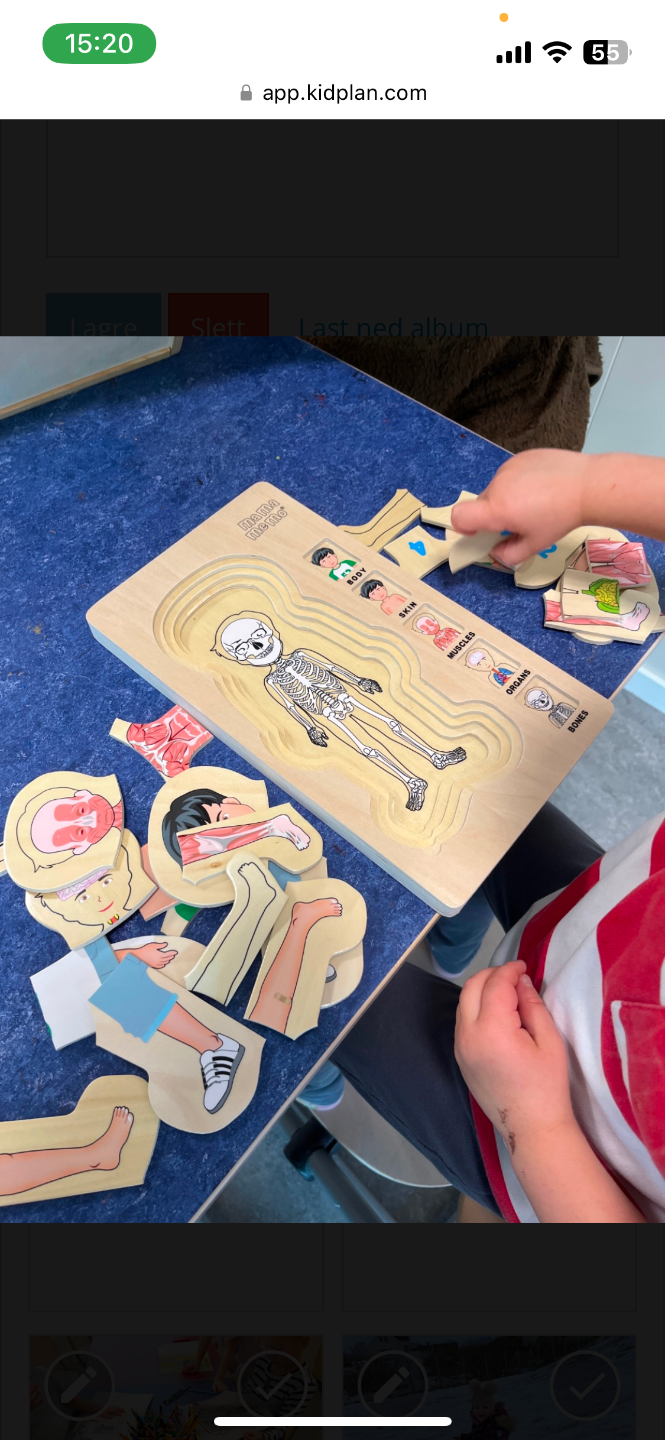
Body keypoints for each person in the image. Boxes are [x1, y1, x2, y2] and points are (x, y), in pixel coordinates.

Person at [305, 448, 665, 1222]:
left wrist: (533, 1125)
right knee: (474, 799)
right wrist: (586, 486)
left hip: (546, 1139)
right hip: (596, 926)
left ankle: (319, 1079)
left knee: (308, 979)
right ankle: (458, 945)